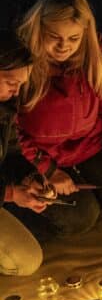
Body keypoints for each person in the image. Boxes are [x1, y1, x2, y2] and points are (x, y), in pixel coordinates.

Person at [14, 0, 102, 236]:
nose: (64, 46)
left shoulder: (94, 53)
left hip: (89, 147)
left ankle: (87, 192)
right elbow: (14, 130)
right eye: (54, 36)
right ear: (38, 29)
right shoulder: (20, 59)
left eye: (74, 39)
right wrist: (49, 171)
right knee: (81, 217)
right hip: (38, 157)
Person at [0, 30, 45, 275]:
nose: (16, 92)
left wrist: (28, 177)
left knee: (27, 258)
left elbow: (12, 152)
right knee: (24, 261)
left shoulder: (4, 106)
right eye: (11, 83)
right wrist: (9, 194)